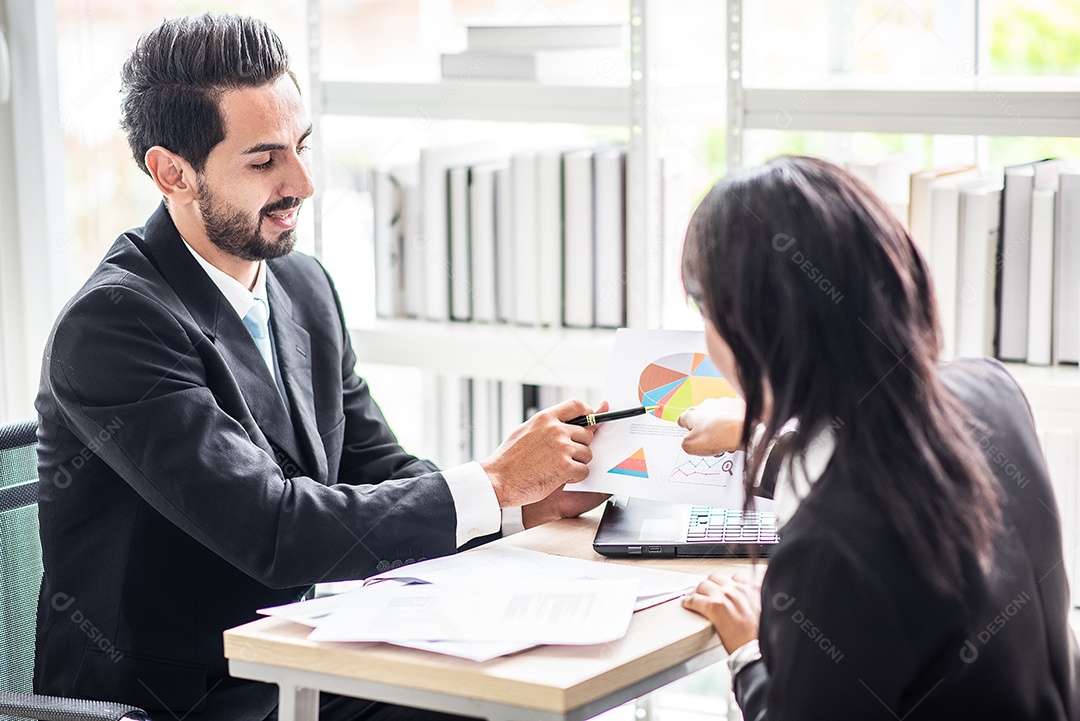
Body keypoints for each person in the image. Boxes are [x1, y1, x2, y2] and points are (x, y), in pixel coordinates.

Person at [34, 14, 606, 720]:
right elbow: (273, 531)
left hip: (292, 664)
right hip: (182, 700)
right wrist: (491, 481)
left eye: (302, 146)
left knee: (523, 693)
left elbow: (379, 469)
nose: (302, 181)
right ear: (171, 172)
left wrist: (520, 504)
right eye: (264, 159)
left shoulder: (303, 287)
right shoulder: (114, 326)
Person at [676, 155, 1080, 719]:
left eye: (703, 305)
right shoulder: (992, 392)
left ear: (754, 325)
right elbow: (889, 453)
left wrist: (750, 650)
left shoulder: (829, 552)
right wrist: (759, 438)